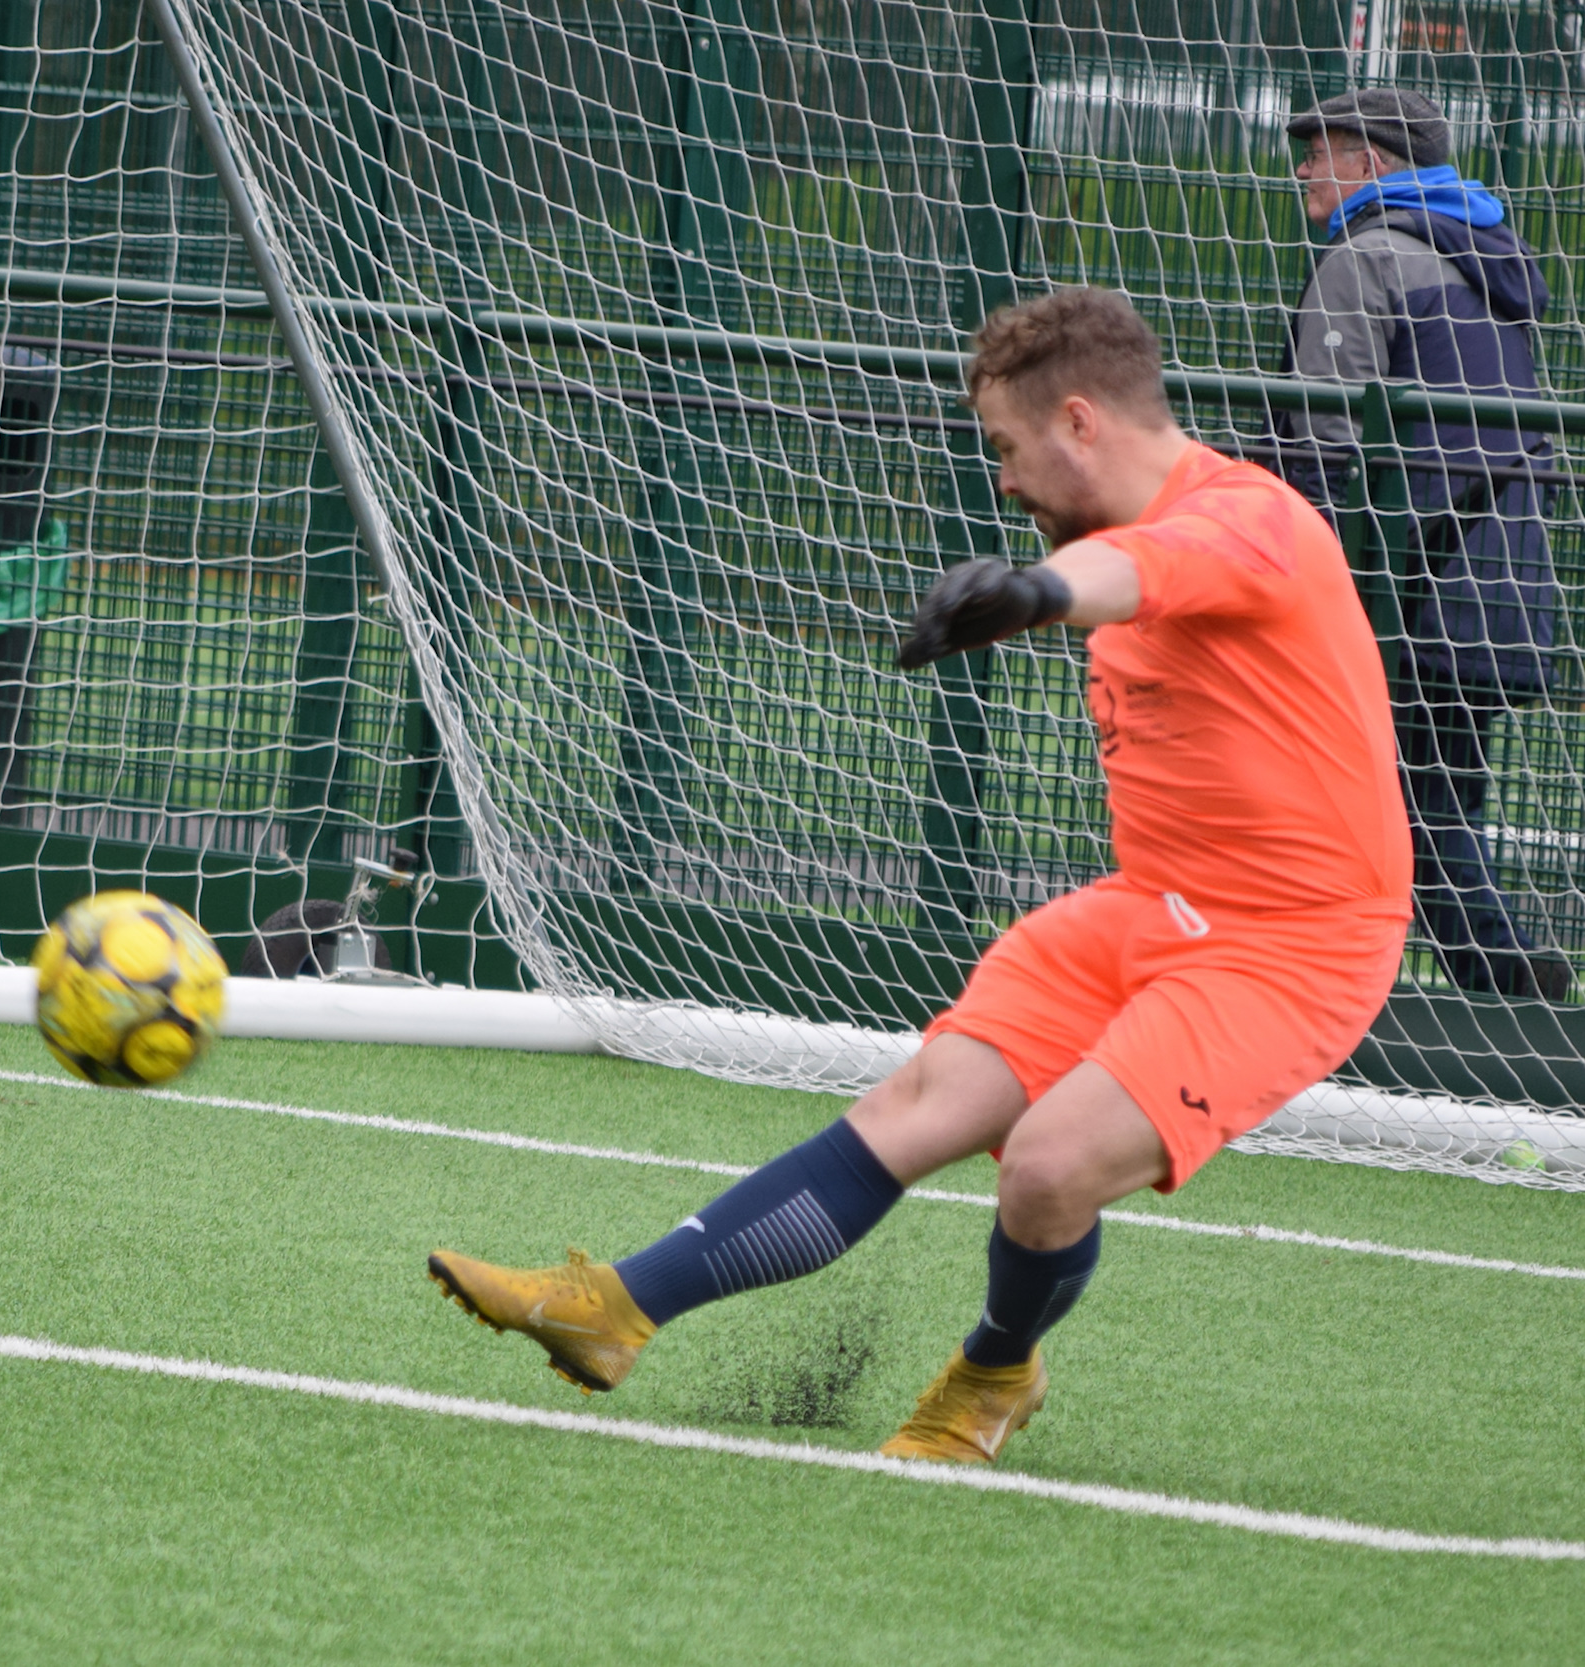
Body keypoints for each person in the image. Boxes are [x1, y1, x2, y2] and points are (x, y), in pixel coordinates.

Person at [428, 288, 1412, 1465]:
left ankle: (994, 1373)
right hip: (1145, 903)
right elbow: (1125, 568)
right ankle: (615, 1308)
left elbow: (1157, 567)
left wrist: (1038, 592)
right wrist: (1045, 589)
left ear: (1081, 422)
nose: (1003, 481)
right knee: (916, 1106)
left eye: (1006, 449)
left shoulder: (1253, 517)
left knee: (1047, 1165)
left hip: (1293, 939)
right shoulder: (1117, 539)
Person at [1280, 88, 1566, 1000]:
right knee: (1434, 793)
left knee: (1394, 800)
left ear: (1369, 164)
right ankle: (1486, 976)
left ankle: (1503, 987)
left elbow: (1322, 439)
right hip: (1499, 570)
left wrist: (1293, 576)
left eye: (1318, 151)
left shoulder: (1366, 257)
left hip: (1412, 576)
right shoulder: (1490, 263)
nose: (1301, 170)